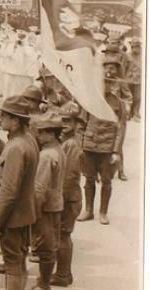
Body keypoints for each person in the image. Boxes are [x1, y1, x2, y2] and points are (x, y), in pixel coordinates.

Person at [0, 95, 39, 290]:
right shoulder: (28, 140)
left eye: (4, 116)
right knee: (19, 261)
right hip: (24, 213)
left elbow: (9, 190)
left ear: (16, 121)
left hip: (12, 216)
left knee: (12, 265)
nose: (0, 119)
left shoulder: (16, 147)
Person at [76, 61, 128, 225]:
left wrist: (116, 151)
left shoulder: (118, 103)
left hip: (107, 149)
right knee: (89, 180)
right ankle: (89, 210)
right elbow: (80, 125)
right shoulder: (90, 100)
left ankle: (103, 212)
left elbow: (121, 128)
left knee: (106, 181)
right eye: (103, 82)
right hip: (90, 147)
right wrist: (80, 146)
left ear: (113, 85)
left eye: (109, 83)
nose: (106, 85)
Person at [30, 111, 67, 290]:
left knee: (44, 247)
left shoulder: (46, 155)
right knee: (51, 244)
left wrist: (34, 212)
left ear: (52, 133)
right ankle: (43, 282)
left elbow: (39, 188)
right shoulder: (59, 149)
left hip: (45, 207)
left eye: (43, 132)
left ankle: (43, 284)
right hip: (56, 204)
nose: (39, 135)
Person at [52, 103, 84, 287]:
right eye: (62, 120)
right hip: (68, 196)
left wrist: (59, 199)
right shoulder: (66, 141)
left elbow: (69, 176)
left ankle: (63, 274)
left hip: (68, 196)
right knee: (61, 235)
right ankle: (65, 273)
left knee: (63, 236)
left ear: (75, 123)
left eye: (68, 121)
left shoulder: (71, 144)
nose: (64, 124)